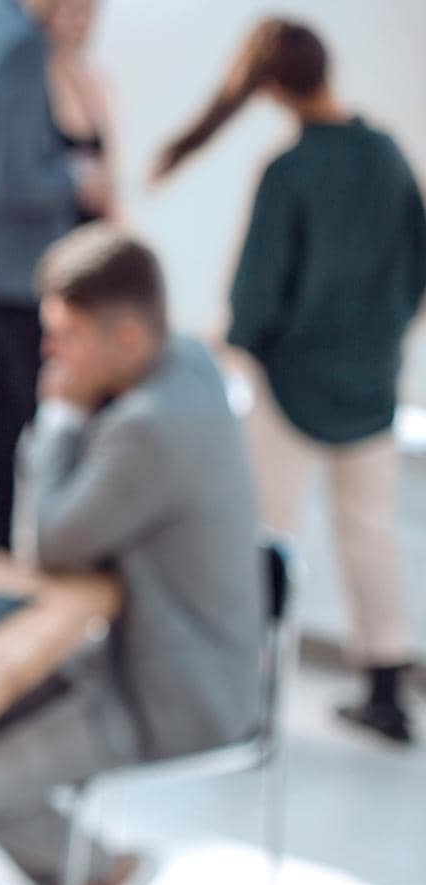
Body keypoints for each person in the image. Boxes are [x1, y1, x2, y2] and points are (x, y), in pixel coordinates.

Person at [0, 226, 261, 885]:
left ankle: (101, 873)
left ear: (129, 339)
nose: (48, 352)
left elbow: (47, 547)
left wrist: (57, 417)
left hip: (171, 697)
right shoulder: (190, 363)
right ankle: (79, 881)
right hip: (163, 657)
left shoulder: (151, 426)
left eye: (64, 335)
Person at [154, 18, 426, 745]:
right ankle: (387, 688)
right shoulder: (388, 156)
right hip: (372, 379)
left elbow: (256, 295)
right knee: (370, 534)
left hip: (291, 385)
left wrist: (240, 343)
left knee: (267, 533)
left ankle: (250, 690)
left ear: (271, 87)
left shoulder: (291, 172)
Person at [0, 0, 112, 547]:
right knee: (19, 429)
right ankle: (0, 563)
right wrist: (76, 177)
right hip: (11, 272)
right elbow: (10, 179)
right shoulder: (21, 45)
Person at [45, 0, 115, 225]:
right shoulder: (33, 87)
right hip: (52, 234)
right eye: (71, 11)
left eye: (87, 11)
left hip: (93, 235)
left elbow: (110, 177)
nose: (79, 22)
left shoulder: (98, 84)